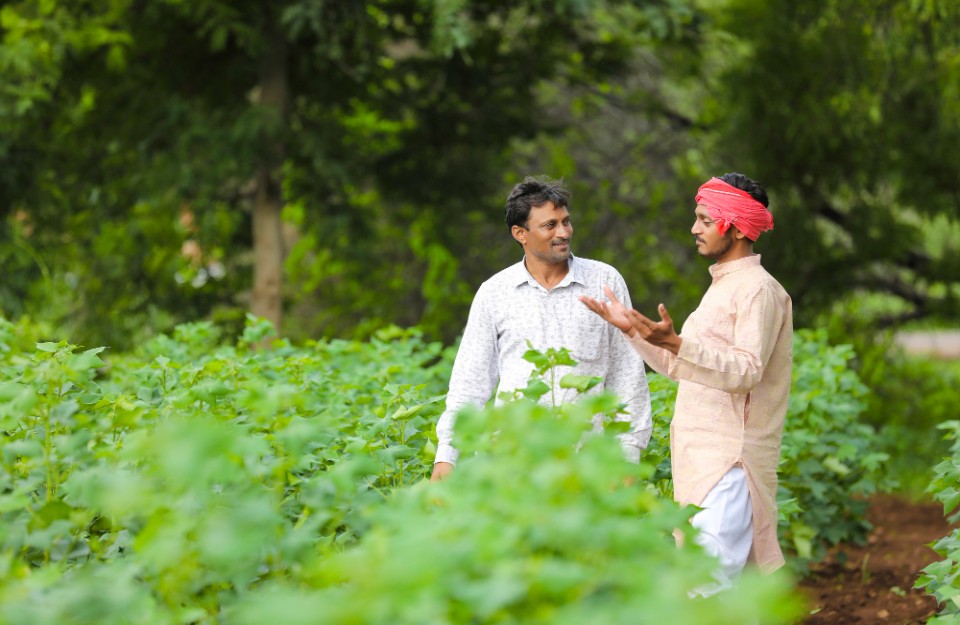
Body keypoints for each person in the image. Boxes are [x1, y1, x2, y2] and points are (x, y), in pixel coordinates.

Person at [580, 172, 793, 593]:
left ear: (731, 226)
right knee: (720, 590)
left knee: (705, 586)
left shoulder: (758, 291)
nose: (694, 229)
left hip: (731, 461)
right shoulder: (723, 287)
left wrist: (678, 342)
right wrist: (633, 330)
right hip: (703, 458)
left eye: (703, 220)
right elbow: (682, 367)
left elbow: (747, 370)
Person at [431, 176, 652, 481]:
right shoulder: (494, 292)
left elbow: (627, 376)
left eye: (566, 222)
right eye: (550, 225)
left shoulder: (605, 282)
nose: (563, 233)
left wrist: (628, 457)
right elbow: (470, 382)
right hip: (511, 464)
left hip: (588, 465)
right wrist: (447, 455)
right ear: (520, 233)